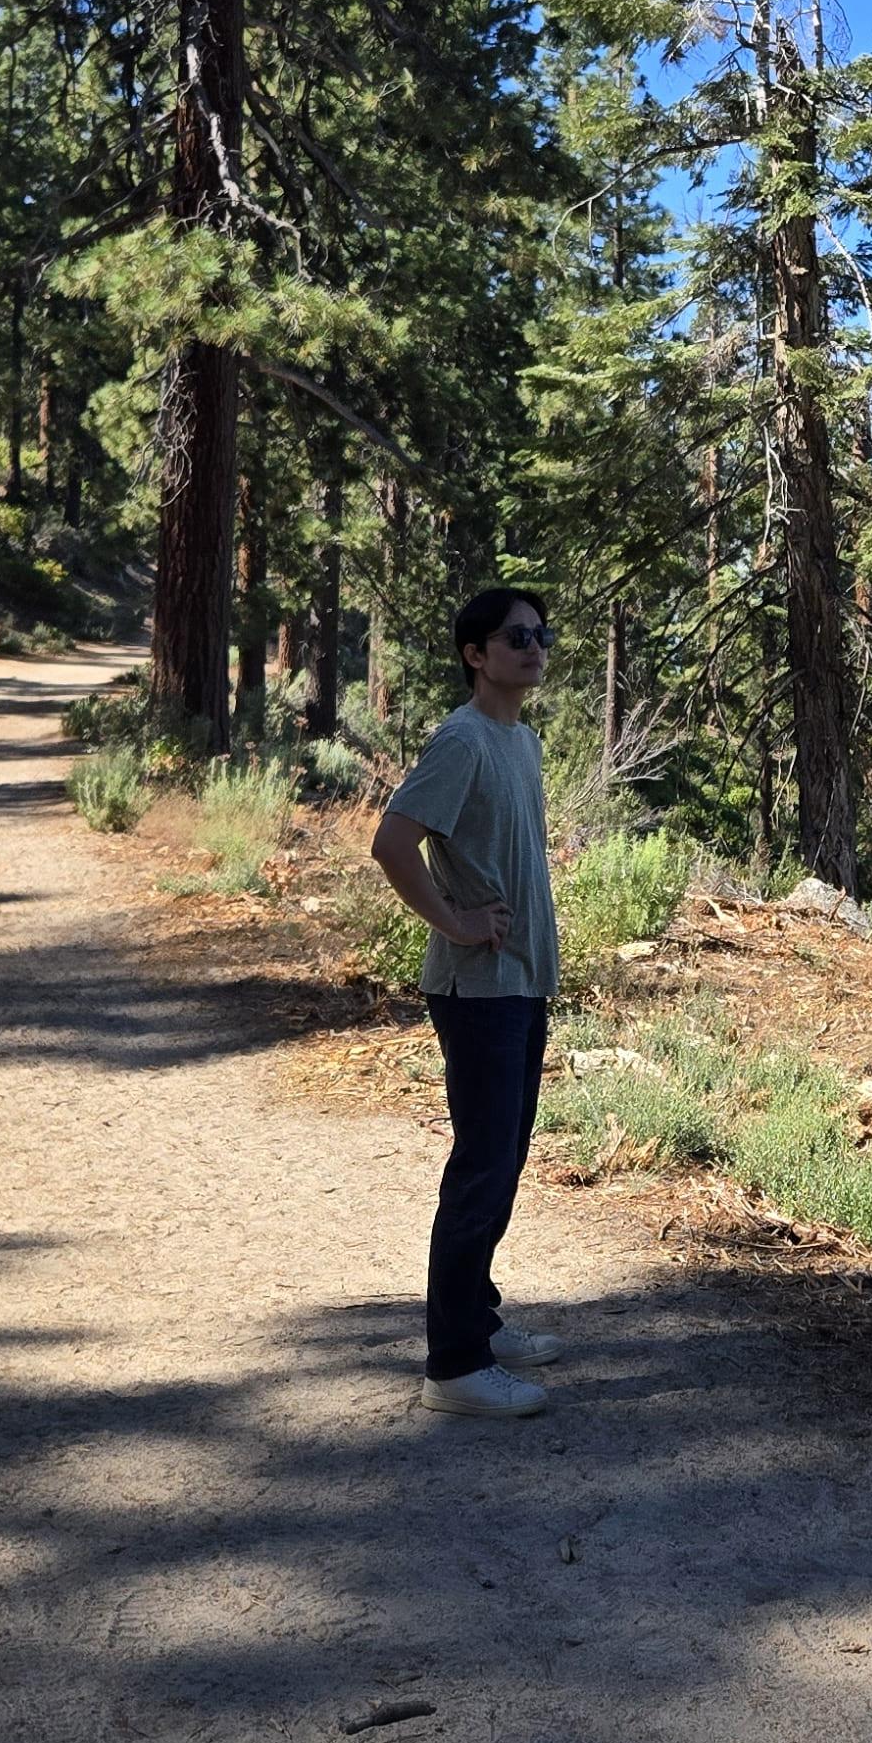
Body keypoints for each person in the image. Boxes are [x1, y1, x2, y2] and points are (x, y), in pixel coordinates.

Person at [371, 585, 566, 1421]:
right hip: (478, 988)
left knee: (503, 1163)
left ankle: (476, 1323)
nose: (534, 647)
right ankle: (454, 1367)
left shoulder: (520, 741)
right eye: (516, 637)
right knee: (480, 1170)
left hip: (520, 979)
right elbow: (392, 843)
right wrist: (454, 920)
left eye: (541, 634)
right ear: (475, 655)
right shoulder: (462, 740)